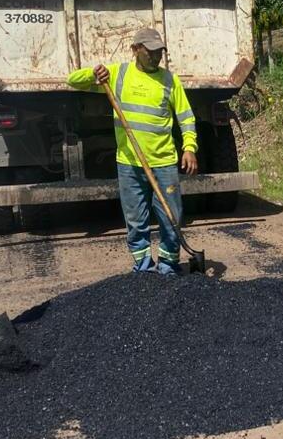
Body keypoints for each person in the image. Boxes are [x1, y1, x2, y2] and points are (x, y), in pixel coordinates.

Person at [68, 27, 198, 275]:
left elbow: (186, 117)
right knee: (136, 220)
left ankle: (169, 266)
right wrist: (95, 73)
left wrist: (189, 147)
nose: (156, 56)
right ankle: (143, 266)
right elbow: (72, 80)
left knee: (172, 217)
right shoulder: (118, 75)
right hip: (129, 163)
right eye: (150, 52)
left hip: (164, 163)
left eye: (159, 51)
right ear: (135, 50)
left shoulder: (170, 80)